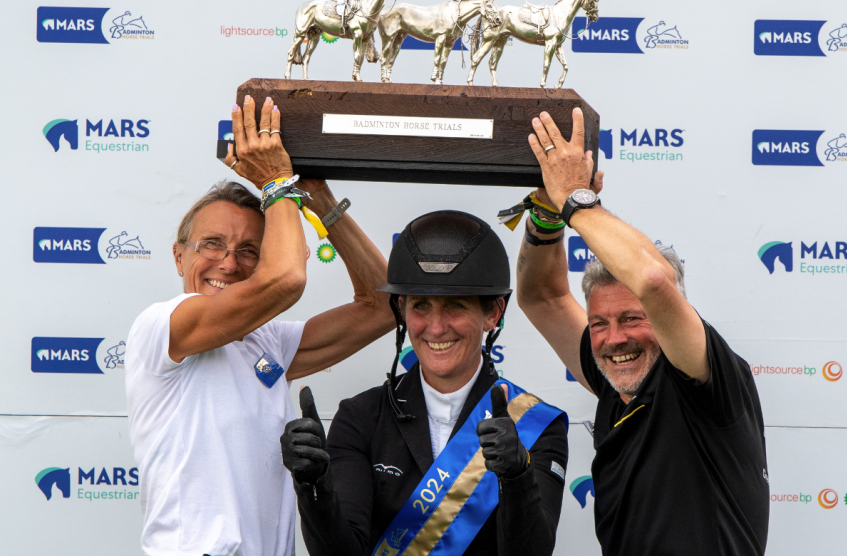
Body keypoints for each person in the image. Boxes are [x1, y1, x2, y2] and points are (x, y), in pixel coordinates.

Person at [125, 95, 394, 556]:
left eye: (250, 249)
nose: (229, 263)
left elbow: (385, 304)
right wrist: (275, 182)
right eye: (212, 244)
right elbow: (286, 277)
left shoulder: (268, 341)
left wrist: (319, 198)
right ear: (178, 256)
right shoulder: (161, 325)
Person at [514, 109, 769, 555]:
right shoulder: (617, 383)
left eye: (632, 318)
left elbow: (652, 280)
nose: (615, 339)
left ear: (671, 314)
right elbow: (543, 298)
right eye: (599, 323)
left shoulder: (698, 378)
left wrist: (575, 198)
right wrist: (548, 214)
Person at [281, 210, 569, 556]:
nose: (435, 327)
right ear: (401, 309)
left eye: (455, 306)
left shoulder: (535, 424)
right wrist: (313, 484)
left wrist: (517, 475)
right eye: (420, 306)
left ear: (493, 313)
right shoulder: (360, 417)